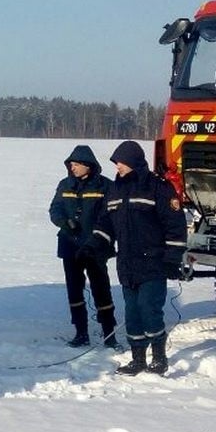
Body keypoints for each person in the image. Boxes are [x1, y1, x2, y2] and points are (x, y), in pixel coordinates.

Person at [79, 140, 187, 376]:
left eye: (121, 161)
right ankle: (138, 358)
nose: (117, 166)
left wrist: (172, 258)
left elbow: (175, 226)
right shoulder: (114, 191)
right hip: (127, 265)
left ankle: (159, 357)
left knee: (150, 309)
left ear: (134, 162)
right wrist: (93, 246)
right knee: (132, 313)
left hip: (153, 262)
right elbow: (105, 224)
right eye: (116, 162)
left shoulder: (158, 188)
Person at [48, 145, 117, 348]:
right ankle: (81, 332)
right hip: (70, 247)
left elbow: (110, 216)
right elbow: (55, 209)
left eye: (77, 164)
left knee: (101, 290)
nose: (73, 167)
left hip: (96, 248)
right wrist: (64, 223)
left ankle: (109, 333)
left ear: (89, 165)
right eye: (71, 164)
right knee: (74, 291)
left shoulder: (105, 186)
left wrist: (98, 239)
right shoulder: (65, 185)